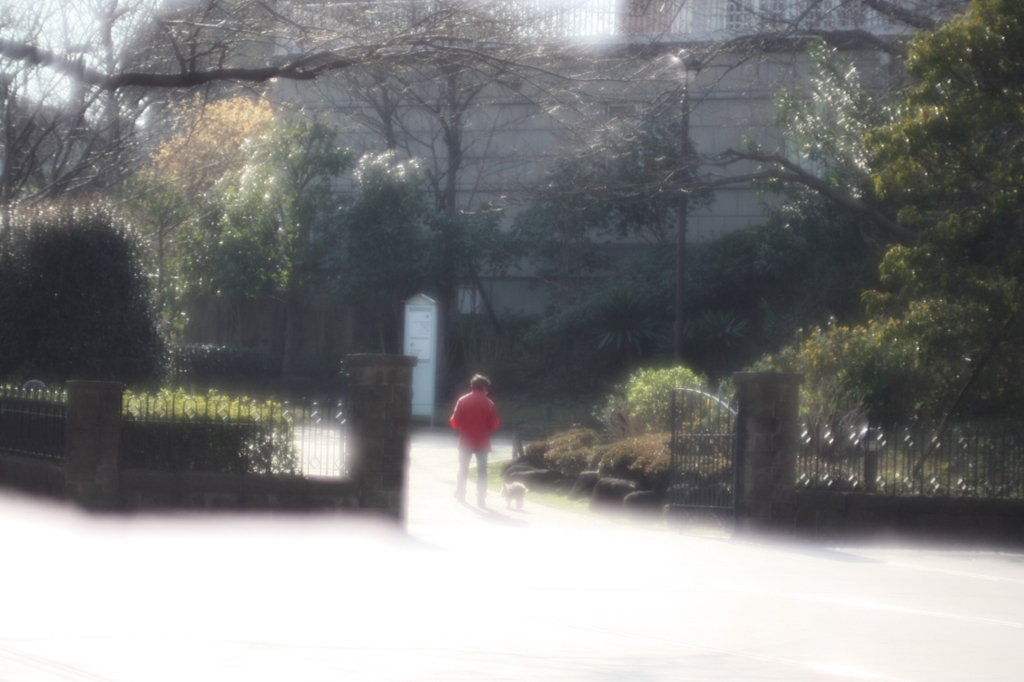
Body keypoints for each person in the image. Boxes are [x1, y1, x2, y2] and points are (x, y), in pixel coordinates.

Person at [449, 374, 499, 507]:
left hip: (465, 441)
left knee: (463, 469)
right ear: (484, 388)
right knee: (482, 471)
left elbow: (454, 421)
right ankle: (481, 498)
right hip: (482, 442)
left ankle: (461, 493)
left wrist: (463, 426)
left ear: (472, 386)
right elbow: (494, 425)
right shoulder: (489, 403)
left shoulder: (463, 400)